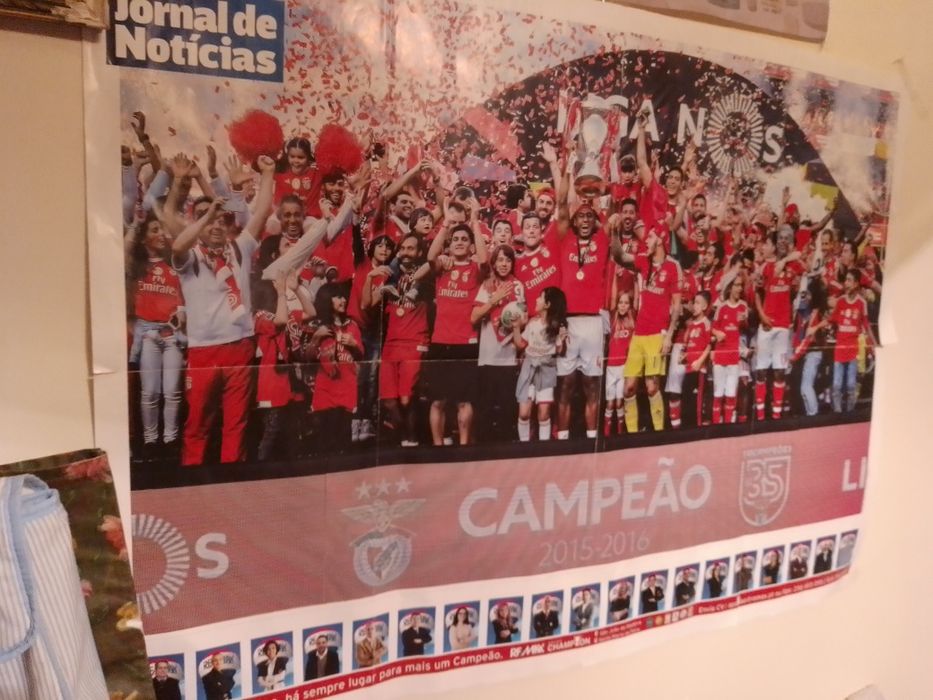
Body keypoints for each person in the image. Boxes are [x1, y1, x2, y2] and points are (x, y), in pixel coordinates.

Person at [171, 153, 275, 466]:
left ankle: (232, 483)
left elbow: (262, 213)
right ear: (195, 222)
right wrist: (209, 214)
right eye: (205, 217)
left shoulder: (238, 249)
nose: (215, 223)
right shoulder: (191, 257)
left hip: (239, 346)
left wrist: (268, 173)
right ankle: (191, 483)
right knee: (198, 425)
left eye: (219, 218)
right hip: (203, 351)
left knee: (236, 425)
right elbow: (177, 246)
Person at [425, 208, 489, 446]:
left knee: (464, 401)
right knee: (438, 401)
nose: (460, 242)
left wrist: (474, 222)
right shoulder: (443, 266)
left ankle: (463, 448)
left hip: (466, 343)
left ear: (471, 246)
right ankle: (437, 448)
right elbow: (430, 256)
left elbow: (484, 259)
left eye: (464, 239)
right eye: (455, 240)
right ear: (449, 245)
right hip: (440, 342)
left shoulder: (475, 269)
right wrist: (446, 223)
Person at [126, 211, 185, 455]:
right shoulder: (136, 267)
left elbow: (183, 299)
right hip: (148, 336)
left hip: (172, 337)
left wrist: (181, 313)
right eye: (155, 230)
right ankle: (150, 441)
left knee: (172, 392)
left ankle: (170, 440)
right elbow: (124, 249)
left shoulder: (175, 265)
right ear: (143, 239)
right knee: (149, 392)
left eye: (163, 229)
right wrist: (136, 223)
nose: (161, 234)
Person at [471, 244, 524, 442]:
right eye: (500, 260)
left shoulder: (518, 286)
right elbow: (474, 317)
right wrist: (494, 300)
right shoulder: (487, 285)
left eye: (508, 260)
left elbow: (524, 317)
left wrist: (516, 322)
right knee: (484, 410)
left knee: (507, 409)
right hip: (487, 357)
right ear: (493, 263)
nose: (504, 264)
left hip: (508, 357)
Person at [754, 225, 804, 422]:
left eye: (787, 239)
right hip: (766, 326)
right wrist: (762, 316)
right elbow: (757, 293)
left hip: (783, 327)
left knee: (780, 371)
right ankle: (760, 416)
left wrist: (787, 261)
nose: (783, 241)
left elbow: (806, 264)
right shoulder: (766, 267)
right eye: (780, 239)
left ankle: (776, 416)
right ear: (776, 243)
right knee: (761, 371)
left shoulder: (794, 266)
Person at [309, 282, 363, 454]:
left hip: (347, 387)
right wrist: (316, 338)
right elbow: (307, 358)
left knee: (343, 441)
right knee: (325, 441)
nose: (343, 300)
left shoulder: (352, 325)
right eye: (338, 297)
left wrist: (354, 344)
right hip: (325, 389)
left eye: (344, 296)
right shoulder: (317, 326)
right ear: (327, 299)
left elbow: (361, 355)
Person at [512, 286, 567, 442]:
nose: (536, 300)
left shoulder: (556, 327)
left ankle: (544, 448)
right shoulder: (532, 323)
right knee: (524, 413)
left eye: (540, 297)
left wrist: (562, 340)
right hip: (528, 370)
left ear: (547, 304)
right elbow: (520, 344)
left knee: (544, 414)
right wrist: (516, 327)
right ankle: (523, 446)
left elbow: (559, 351)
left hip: (546, 371)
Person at [828, 269, 876, 412]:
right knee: (837, 385)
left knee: (850, 385)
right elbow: (831, 319)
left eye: (849, 280)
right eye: (845, 280)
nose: (846, 283)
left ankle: (850, 414)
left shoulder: (861, 303)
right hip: (839, 350)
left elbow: (866, 325)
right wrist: (815, 327)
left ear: (856, 283)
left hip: (853, 351)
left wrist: (874, 344)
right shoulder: (841, 301)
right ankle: (837, 413)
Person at [711, 276, 749, 424]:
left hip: (734, 357)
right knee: (718, 393)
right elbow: (712, 328)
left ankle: (727, 425)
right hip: (720, 356)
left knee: (731, 394)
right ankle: (716, 425)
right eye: (737, 285)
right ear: (730, 287)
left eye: (741, 285)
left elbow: (745, 328)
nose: (740, 288)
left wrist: (743, 322)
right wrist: (717, 333)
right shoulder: (722, 307)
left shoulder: (743, 306)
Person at [603, 290, 636, 437]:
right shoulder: (612, 319)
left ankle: (620, 434)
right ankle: (607, 434)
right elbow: (611, 298)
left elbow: (637, 301)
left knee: (619, 402)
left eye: (626, 303)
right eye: (620, 302)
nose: (623, 305)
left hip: (624, 367)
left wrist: (637, 282)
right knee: (610, 403)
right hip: (611, 367)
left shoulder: (632, 322)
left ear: (630, 305)